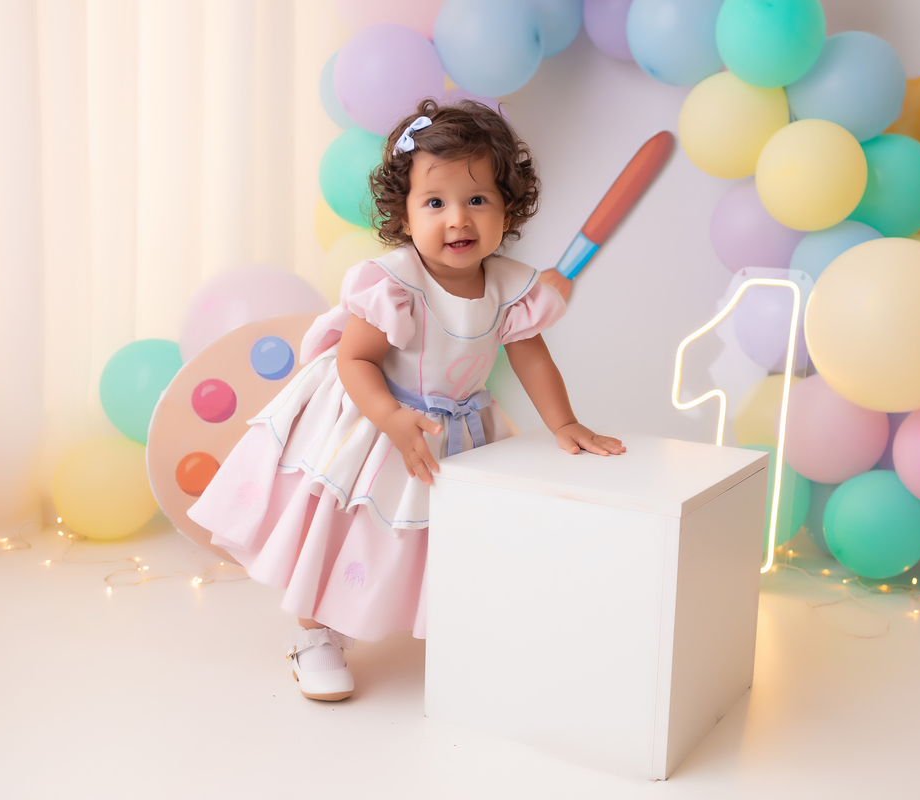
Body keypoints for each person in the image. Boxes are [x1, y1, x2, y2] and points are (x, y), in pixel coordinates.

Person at [187, 99, 625, 701]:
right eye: (435, 202)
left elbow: (531, 357)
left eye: (478, 199)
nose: (458, 220)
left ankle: (452, 623)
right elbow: (355, 359)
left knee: (442, 531)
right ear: (405, 213)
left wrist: (564, 422)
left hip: (458, 426)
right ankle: (315, 636)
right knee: (343, 526)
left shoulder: (509, 287)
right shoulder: (394, 283)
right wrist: (391, 417)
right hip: (375, 417)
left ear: (508, 208)